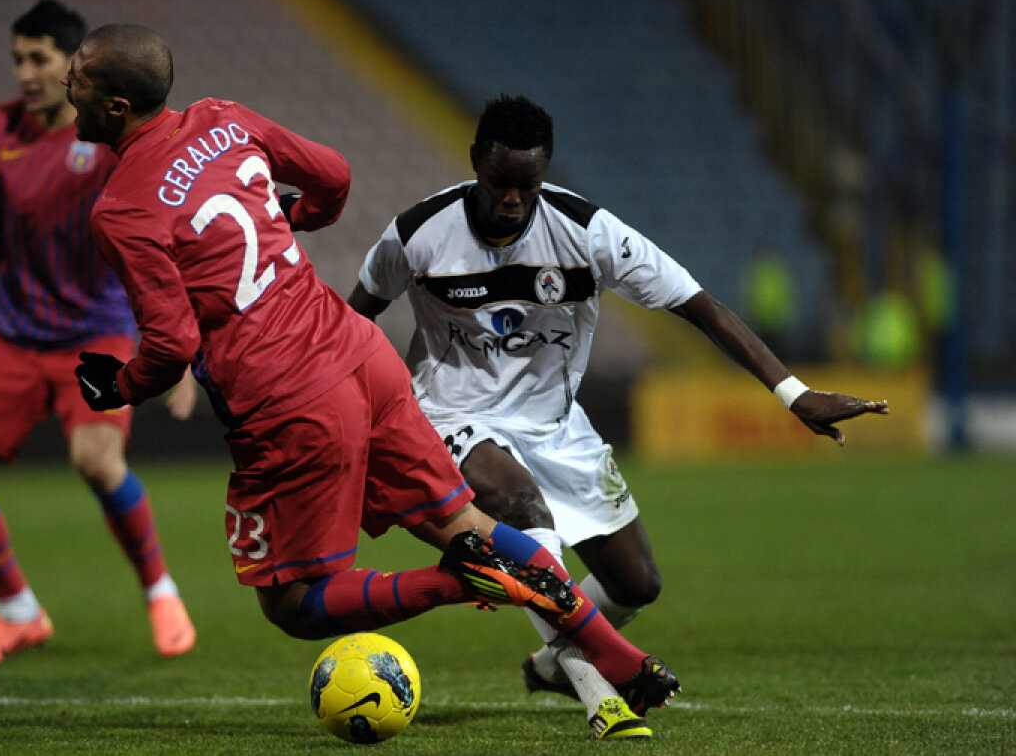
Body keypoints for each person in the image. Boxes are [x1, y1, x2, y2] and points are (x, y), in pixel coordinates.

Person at [64, 23, 678, 740]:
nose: (65, 85)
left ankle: (459, 581)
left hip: (285, 399)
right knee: (468, 523)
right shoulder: (223, 120)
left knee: (293, 601)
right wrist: (296, 217)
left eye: (77, 74)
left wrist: (122, 385)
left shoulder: (122, 208)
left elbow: (170, 344)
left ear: (113, 109)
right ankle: (621, 657)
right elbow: (334, 177)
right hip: (360, 354)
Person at [347, 94, 890, 708]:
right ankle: (599, 692)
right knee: (526, 513)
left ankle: (553, 665)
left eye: (529, 185)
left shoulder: (588, 234)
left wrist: (794, 394)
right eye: (500, 183)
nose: (513, 200)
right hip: (454, 414)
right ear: (476, 161)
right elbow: (350, 317)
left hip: (555, 426)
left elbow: (699, 306)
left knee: (636, 583)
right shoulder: (417, 233)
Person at [0, 0, 195, 664]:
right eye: (17, 58)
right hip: (16, 334)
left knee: (96, 460)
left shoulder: (107, 141)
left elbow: (163, 240)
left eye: (38, 59)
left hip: (97, 331)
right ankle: (18, 610)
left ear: (73, 67)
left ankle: (159, 587)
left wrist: (183, 350)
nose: (24, 72)